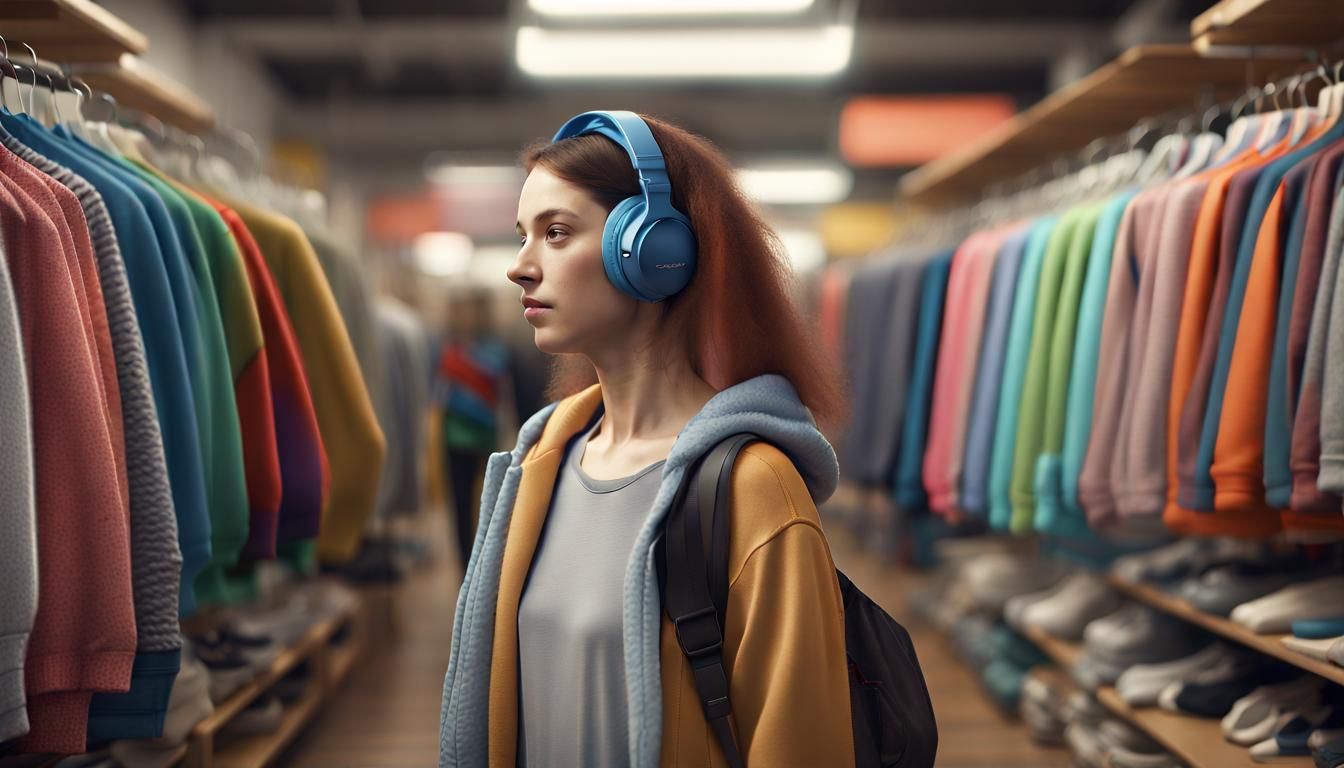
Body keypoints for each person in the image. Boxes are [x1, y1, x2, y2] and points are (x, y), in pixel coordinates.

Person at [439, 111, 855, 767]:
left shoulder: (754, 490)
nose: (520, 267)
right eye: (524, 236)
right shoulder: (540, 464)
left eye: (555, 233)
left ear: (654, 249)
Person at [434, 288, 510, 572]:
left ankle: (485, 563)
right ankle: (466, 565)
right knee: (461, 507)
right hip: (455, 439)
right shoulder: (448, 349)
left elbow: (498, 387)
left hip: (486, 438)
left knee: (490, 504)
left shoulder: (494, 349)